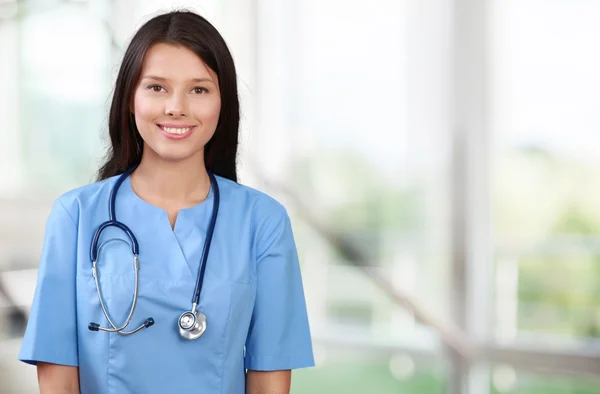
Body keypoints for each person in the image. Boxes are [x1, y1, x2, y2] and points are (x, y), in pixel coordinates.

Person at [18, 10, 314, 394]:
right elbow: (57, 375)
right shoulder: (75, 216)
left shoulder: (263, 221)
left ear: (222, 104)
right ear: (129, 98)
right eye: (157, 87)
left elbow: (269, 376)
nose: (176, 107)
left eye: (199, 89)